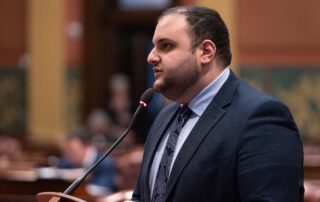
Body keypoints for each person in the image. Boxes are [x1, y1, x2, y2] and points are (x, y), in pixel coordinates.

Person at [132, 6, 304, 202]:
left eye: (166, 46)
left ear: (206, 51)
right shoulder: (165, 117)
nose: (151, 56)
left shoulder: (261, 117)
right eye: (154, 46)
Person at [58, 127, 116, 197]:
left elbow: (105, 189)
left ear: (87, 146)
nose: (68, 155)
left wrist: (81, 182)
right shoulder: (66, 162)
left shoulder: (105, 162)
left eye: (72, 151)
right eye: (67, 151)